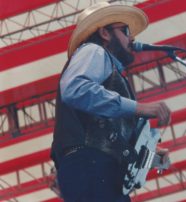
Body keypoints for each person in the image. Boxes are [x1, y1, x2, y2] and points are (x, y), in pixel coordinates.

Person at [50, 2, 171, 202]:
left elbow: (108, 134)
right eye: (125, 30)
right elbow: (75, 88)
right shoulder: (94, 51)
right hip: (90, 166)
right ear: (105, 33)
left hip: (96, 170)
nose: (132, 38)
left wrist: (150, 155)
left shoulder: (109, 71)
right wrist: (140, 108)